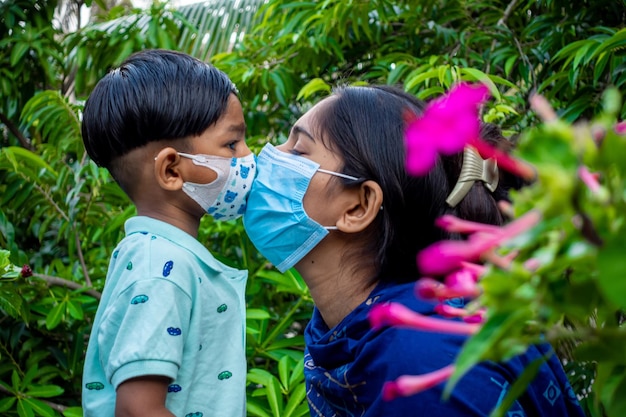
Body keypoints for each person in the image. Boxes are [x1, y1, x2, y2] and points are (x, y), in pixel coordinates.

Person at [243, 85, 585, 416]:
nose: (267, 155)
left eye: (299, 150)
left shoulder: (424, 369)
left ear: (359, 207)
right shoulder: (343, 333)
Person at [81, 49, 255, 417]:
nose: (247, 155)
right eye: (231, 144)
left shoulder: (165, 258)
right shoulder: (161, 267)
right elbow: (137, 410)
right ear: (172, 170)